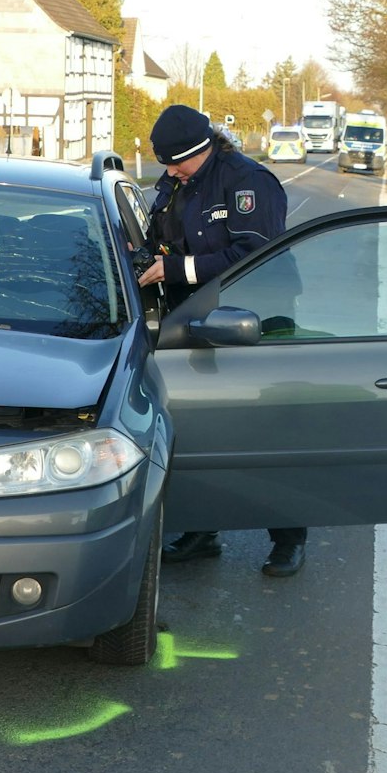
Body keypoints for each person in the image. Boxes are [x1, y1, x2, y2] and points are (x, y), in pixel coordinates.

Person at [139, 106, 306, 577]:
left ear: (201, 150)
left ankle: (288, 538)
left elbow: (255, 254)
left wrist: (178, 269)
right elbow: (162, 236)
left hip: (259, 316)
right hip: (197, 316)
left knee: (267, 432)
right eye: (165, 164)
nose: (169, 172)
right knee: (198, 428)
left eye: (176, 163)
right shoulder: (178, 182)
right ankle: (203, 529)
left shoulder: (247, 181)